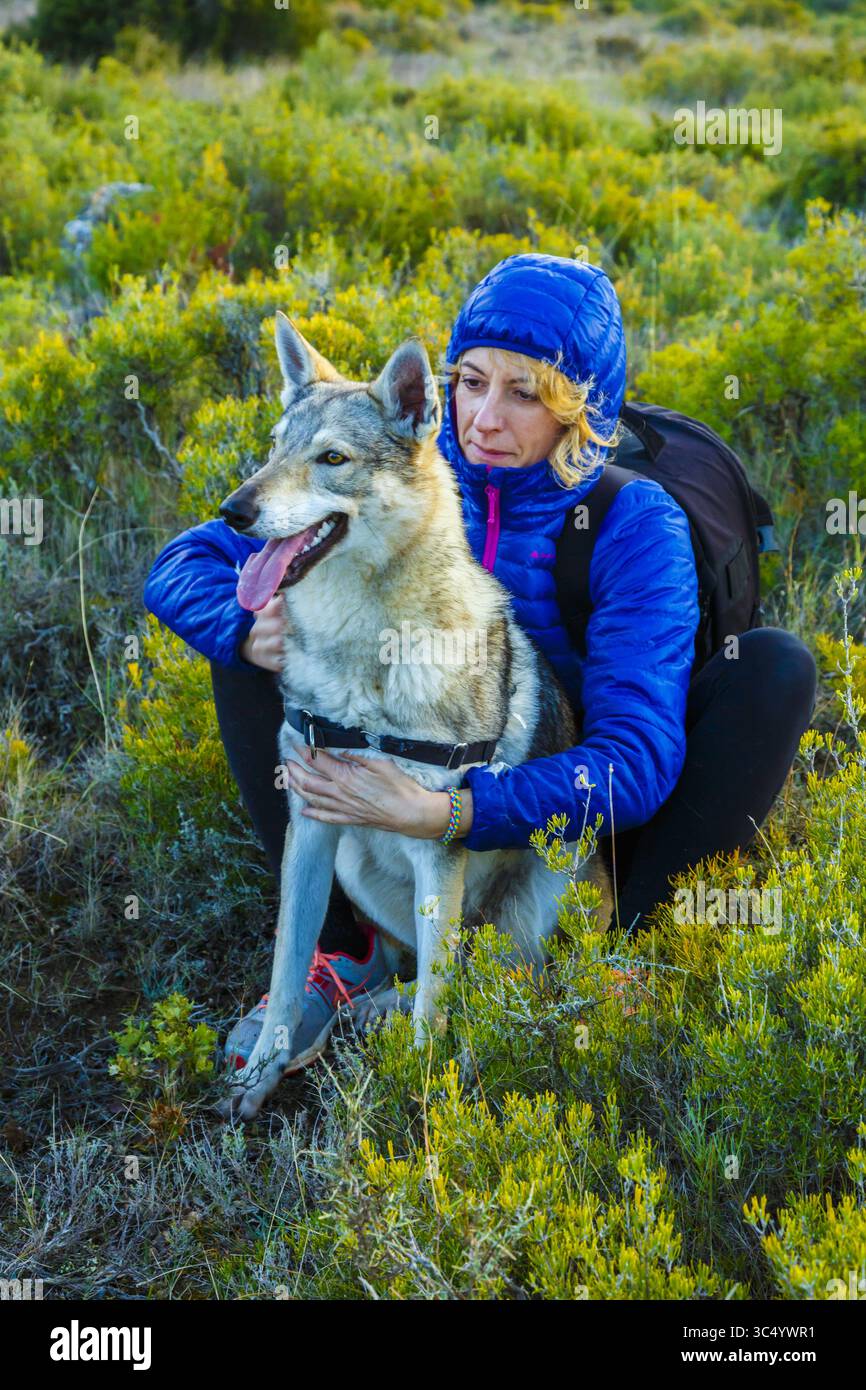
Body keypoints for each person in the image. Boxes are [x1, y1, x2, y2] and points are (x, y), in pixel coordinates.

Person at [143, 253, 818, 1069]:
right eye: (469, 381)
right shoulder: (410, 466)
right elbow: (186, 558)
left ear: (577, 411)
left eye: (523, 393)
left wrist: (456, 813)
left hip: (567, 821)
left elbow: (633, 763)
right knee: (250, 631)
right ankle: (347, 954)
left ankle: (630, 952)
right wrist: (241, 626)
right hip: (411, 778)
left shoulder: (632, 523)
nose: (484, 418)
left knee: (775, 669)